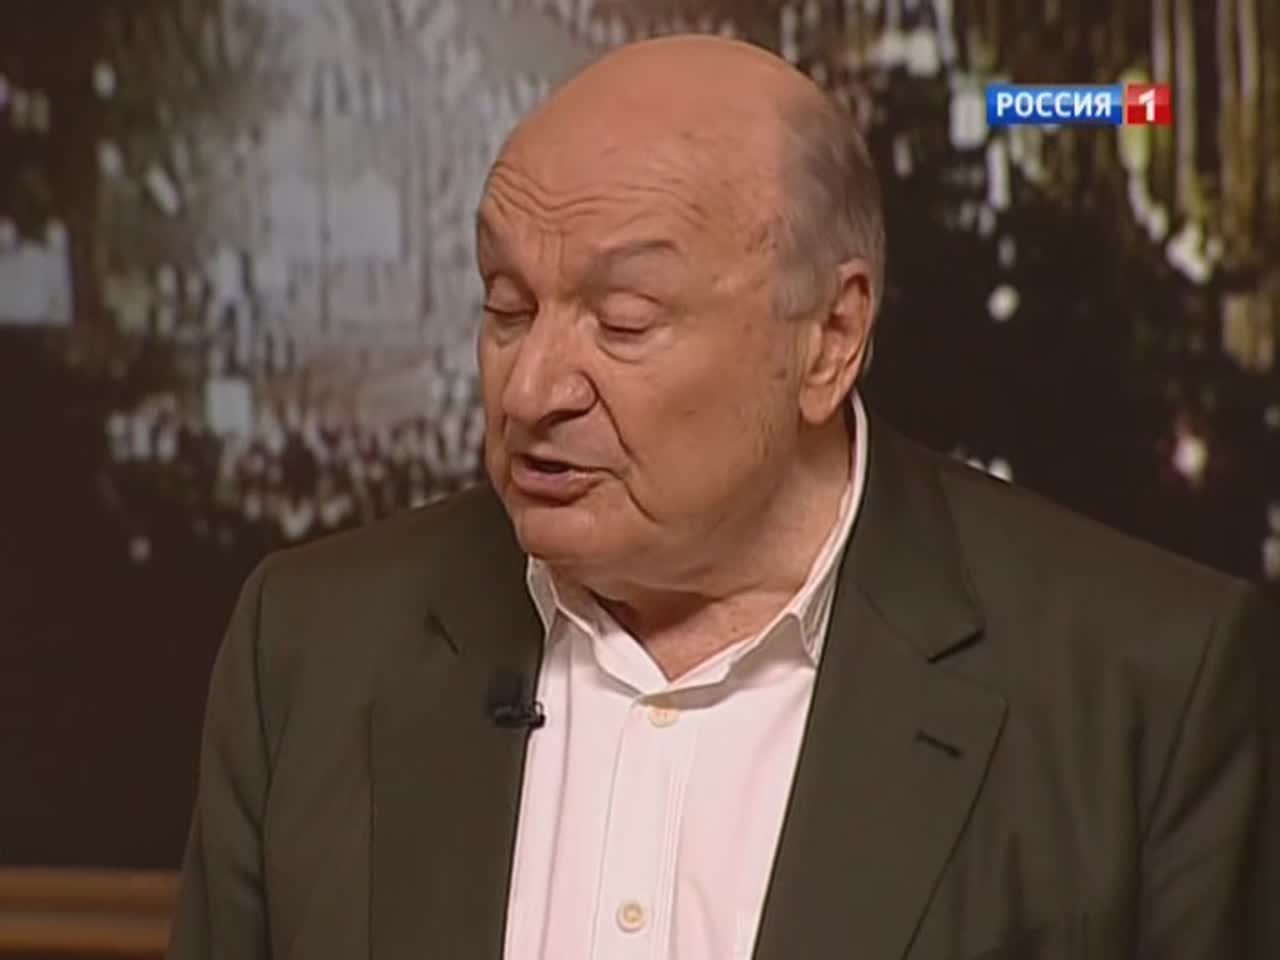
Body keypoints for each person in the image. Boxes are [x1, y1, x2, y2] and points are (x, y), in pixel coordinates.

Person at [167, 35, 1277, 960]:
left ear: (828, 338)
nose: (533, 389)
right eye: (506, 307)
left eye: (624, 322)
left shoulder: (1144, 690)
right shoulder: (309, 647)